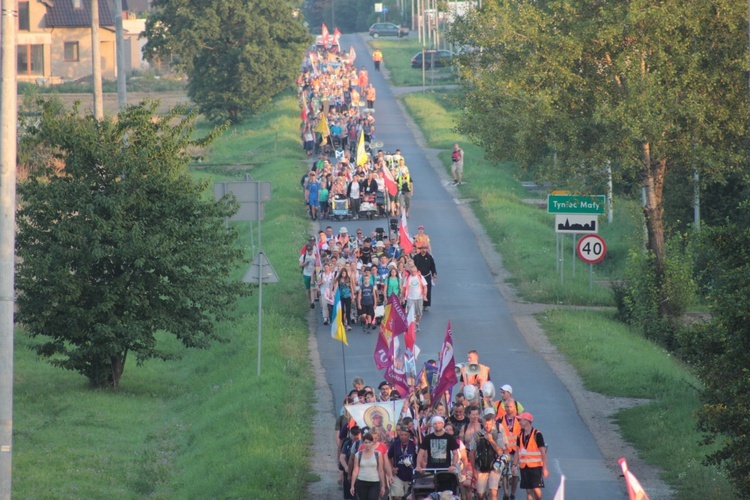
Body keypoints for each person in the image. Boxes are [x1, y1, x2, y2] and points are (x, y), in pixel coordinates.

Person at [469, 414, 508, 500]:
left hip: (495, 467)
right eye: (486, 424)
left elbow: (500, 452)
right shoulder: (477, 435)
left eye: (490, 424)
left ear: (493, 423)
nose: (487, 426)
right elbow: (472, 453)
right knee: (480, 495)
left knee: (493, 491)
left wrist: (491, 440)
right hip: (481, 467)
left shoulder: (498, 434)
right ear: (482, 423)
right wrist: (473, 470)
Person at [512, 413, 548, 500]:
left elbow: (543, 452)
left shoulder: (537, 434)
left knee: (536, 489)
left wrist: (544, 468)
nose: (519, 422)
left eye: (521, 420)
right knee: (528, 490)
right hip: (524, 466)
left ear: (527, 421)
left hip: (535, 466)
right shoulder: (520, 435)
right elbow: (517, 451)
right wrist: (514, 465)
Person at [350, 433, 387, 500]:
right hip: (362, 481)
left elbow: (381, 470)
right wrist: (352, 485)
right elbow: (355, 470)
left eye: (369, 442)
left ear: (372, 443)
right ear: (363, 443)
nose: (367, 445)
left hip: (374, 482)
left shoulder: (378, 454)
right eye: (366, 442)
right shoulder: (358, 455)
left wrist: (383, 486)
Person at [499, 400, 522, 500]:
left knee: (515, 474)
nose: (509, 409)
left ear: (514, 408)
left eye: (511, 407)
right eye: (507, 406)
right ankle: (506, 493)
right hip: (505, 450)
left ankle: (513, 493)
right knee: (504, 472)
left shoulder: (520, 420)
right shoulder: (500, 420)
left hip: (516, 451)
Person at [387, 426, 417, 500]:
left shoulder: (413, 445)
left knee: (409, 497)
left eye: (405, 435)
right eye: (401, 435)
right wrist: (392, 468)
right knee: (397, 496)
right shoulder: (395, 444)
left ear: (409, 435)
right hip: (398, 474)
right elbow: (388, 457)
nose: (403, 437)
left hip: (411, 475)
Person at [412, 245, 437, 310]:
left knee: (427, 290)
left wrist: (434, 275)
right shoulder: (416, 257)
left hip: (427, 276)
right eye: (422, 249)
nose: (423, 250)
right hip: (418, 276)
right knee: (418, 290)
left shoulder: (429, 257)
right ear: (420, 249)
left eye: (425, 249)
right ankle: (418, 303)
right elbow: (413, 266)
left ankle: (426, 305)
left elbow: (433, 266)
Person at [299, 244, 317, 309]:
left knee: (312, 288)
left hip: (313, 274)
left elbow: (317, 264)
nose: (310, 252)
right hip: (306, 274)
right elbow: (300, 265)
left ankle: (312, 302)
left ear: (312, 250)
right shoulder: (303, 256)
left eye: (310, 251)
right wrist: (305, 264)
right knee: (308, 289)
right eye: (308, 251)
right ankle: (310, 301)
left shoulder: (315, 256)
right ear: (307, 251)